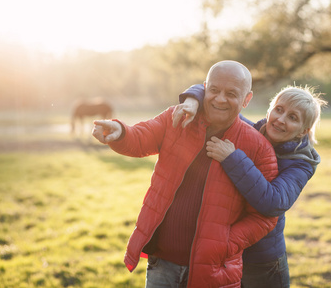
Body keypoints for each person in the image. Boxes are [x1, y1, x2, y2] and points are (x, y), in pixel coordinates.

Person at [91, 60, 279, 288]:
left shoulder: (258, 147)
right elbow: (141, 138)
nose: (220, 99)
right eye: (214, 90)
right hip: (162, 262)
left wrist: (227, 243)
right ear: (204, 88)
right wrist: (121, 132)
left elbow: (265, 215)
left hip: (215, 269)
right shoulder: (178, 117)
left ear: (247, 99)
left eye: (231, 93)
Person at [173, 84, 327, 288]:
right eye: (279, 110)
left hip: (262, 261)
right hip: (224, 251)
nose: (281, 119)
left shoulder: (301, 163)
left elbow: (274, 202)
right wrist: (192, 100)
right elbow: (213, 88)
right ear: (270, 109)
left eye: (293, 117)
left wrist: (233, 158)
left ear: (303, 132)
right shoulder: (250, 131)